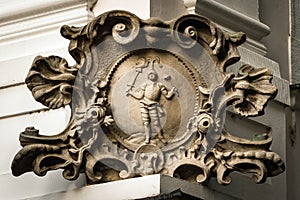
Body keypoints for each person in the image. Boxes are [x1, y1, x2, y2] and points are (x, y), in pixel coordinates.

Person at [127, 69, 177, 143]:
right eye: (150, 74)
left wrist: (172, 92)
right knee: (146, 123)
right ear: (148, 76)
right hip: (144, 104)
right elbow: (140, 96)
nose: (151, 75)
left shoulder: (159, 85)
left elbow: (167, 96)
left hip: (153, 105)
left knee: (156, 123)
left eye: (153, 74)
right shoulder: (145, 84)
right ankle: (147, 138)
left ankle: (161, 137)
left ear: (156, 75)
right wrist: (131, 93)